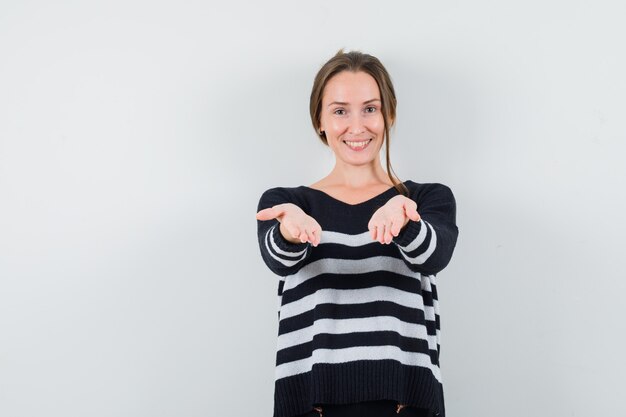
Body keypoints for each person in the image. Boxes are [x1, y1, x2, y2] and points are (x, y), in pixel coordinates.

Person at [255, 49, 459, 417]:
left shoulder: (426, 198)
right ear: (319, 120)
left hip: (405, 402)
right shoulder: (287, 202)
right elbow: (278, 259)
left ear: (389, 114)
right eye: (339, 110)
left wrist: (404, 219)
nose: (357, 126)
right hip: (310, 404)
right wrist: (290, 230)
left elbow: (434, 255)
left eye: (370, 108)